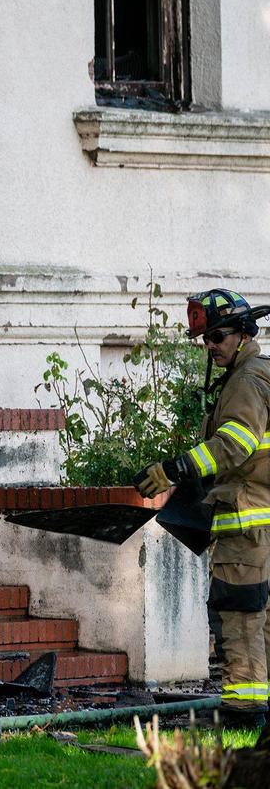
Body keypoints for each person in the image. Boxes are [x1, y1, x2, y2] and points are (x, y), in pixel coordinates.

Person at [137, 289, 270, 727]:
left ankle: (243, 717)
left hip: (247, 529)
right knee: (261, 622)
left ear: (242, 333)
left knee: (238, 616)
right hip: (259, 523)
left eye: (217, 336)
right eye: (205, 339)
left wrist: (176, 468)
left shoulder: (247, 380)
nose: (210, 346)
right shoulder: (255, 372)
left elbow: (235, 444)